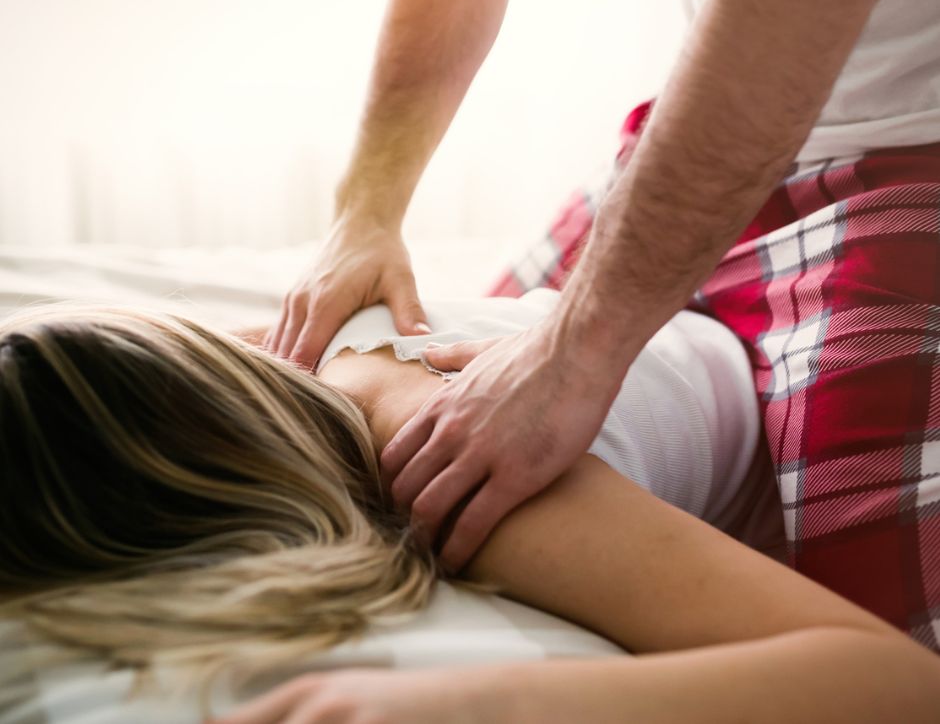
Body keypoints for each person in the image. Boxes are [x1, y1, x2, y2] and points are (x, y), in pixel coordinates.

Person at [267, 0, 940, 654]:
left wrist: (575, 353)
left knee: (896, 620)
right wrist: (366, 211)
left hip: (907, 171)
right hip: (705, 130)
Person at [1, 303, 938, 723]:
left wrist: (484, 699)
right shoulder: (262, 378)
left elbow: (893, 684)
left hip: (790, 372)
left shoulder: (450, 472)